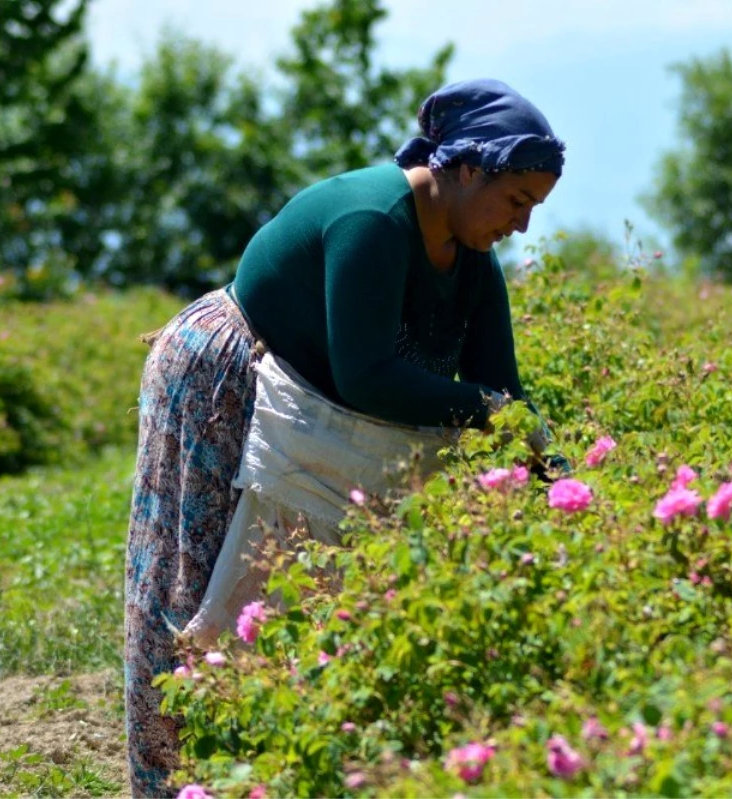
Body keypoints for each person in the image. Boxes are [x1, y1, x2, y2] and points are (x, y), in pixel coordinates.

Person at [124, 78, 566, 798]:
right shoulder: (375, 219)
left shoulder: (474, 266)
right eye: (516, 201)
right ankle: (171, 781)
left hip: (300, 392)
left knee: (272, 605)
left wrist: (561, 473)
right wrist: (487, 409)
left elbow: (503, 389)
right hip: (221, 372)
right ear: (464, 169)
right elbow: (366, 375)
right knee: (192, 582)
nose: (522, 226)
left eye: (534, 209)